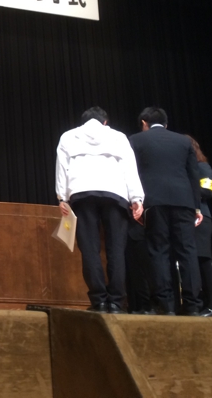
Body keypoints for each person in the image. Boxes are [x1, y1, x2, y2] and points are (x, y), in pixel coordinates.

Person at [56, 106, 144, 313]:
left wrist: (62, 197)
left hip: (81, 193)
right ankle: (116, 302)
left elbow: (61, 168)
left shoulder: (68, 136)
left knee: (90, 250)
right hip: (115, 194)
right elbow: (130, 168)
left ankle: (99, 301)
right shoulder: (118, 137)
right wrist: (137, 198)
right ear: (105, 122)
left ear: (83, 121)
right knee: (116, 250)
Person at [129, 107, 203, 316]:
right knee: (187, 252)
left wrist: (135, 202)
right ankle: (193, 305)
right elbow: (193, 175)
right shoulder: (183, 141)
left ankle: (166, 305)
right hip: (184, 201)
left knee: (159, 251)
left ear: (144, 122)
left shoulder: (135, 140)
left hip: (154, 201)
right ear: (166, 123)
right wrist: (196, 206)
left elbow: (130, 173)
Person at [184, 135, 212, 317]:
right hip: (186, 218)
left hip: (201, 218)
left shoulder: (202, 167)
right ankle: (197, 304)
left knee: (203, 259)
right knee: (191, 261)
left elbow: (207, 190)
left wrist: (183, 189)